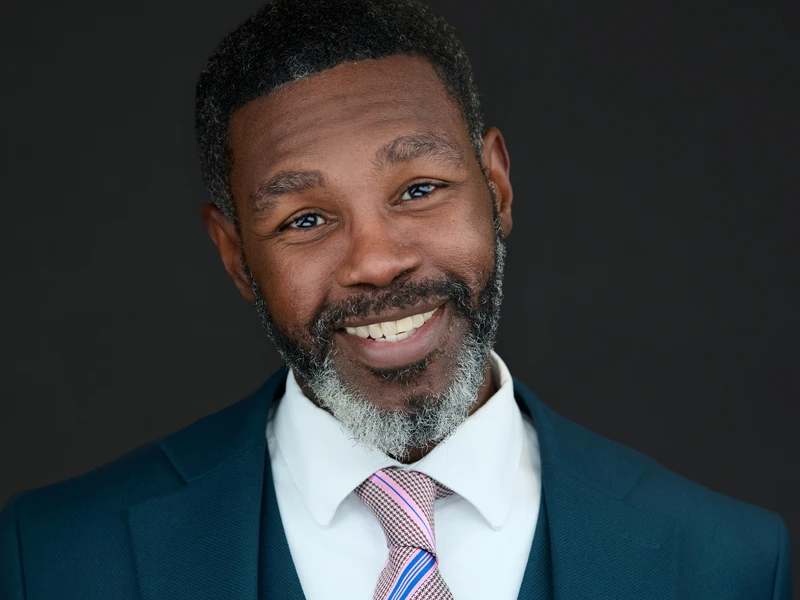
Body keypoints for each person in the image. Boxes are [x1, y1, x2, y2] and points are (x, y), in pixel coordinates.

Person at [0, 0, 792, 598]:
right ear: (236, 254)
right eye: (305, 218)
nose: (376, 261)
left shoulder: (726, 562)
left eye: (418, 188)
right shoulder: (57, 557)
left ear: (498, 184)